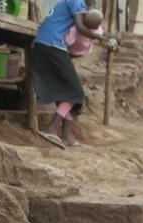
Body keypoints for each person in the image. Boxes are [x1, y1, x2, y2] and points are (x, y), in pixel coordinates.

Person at [33, 0, 102, 148]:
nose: (93, 2)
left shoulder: (72, 3)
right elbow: (80, 26)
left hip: (46, 44)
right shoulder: (77, 1)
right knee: (75, 92)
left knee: (69, 92)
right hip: (52, 44)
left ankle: (66, 136)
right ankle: (51, 129)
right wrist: (97, 37)